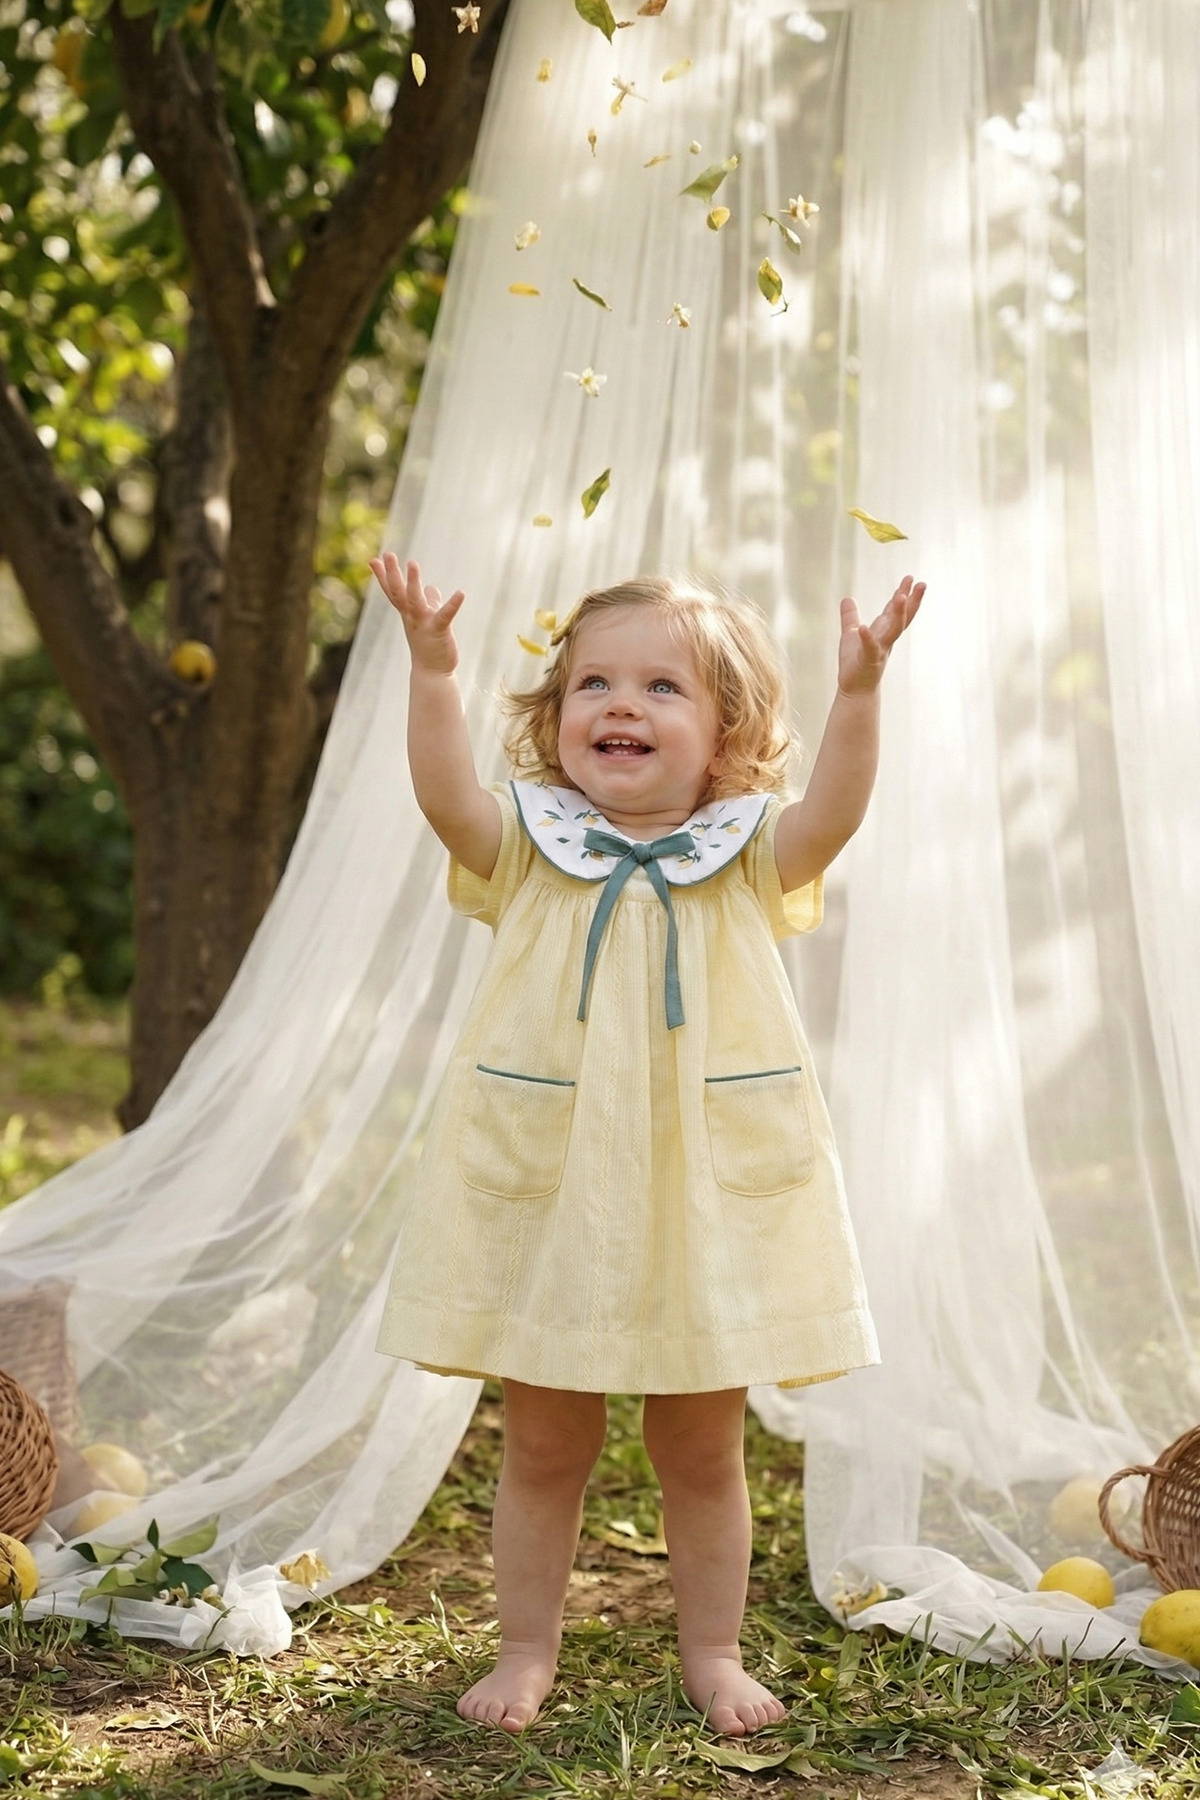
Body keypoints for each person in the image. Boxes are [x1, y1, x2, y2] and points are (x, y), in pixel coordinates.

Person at [370, 553, 923, 1737]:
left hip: (701, 1195)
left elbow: (834, 813)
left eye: (663, 689)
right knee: (544, 1438)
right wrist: (431, 671)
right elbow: (444, 798)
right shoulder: (530, 841)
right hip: (553, 1184)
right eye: (594, 685)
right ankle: (527, 1646)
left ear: (725, 736)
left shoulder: (743, 854)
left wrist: (862, 696)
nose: (622, 705)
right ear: (555, 716)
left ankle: (713, 1650)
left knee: (701, 1447)